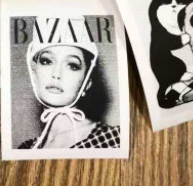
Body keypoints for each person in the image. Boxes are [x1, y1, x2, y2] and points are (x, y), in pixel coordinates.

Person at [18, 16, 120, 149]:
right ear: (34, 74)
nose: (56, 74)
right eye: (47, 61)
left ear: (86, 84)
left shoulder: (114, 139)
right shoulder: (25, 148)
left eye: (72, 65)